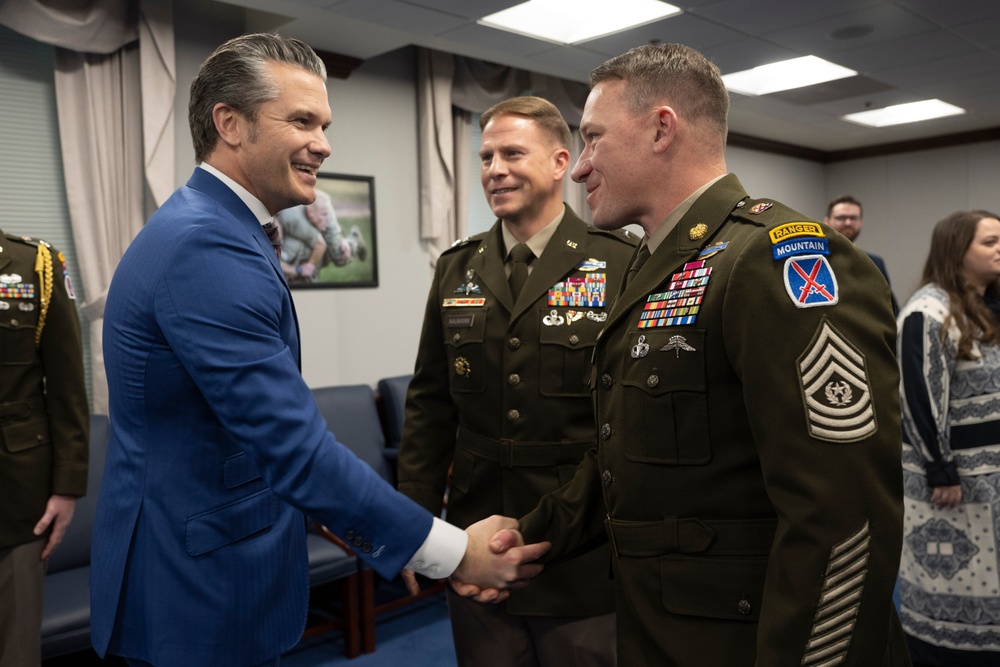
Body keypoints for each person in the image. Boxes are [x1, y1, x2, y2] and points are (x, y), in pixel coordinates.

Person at [89, 33, 548, 667]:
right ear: (231, 124)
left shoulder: (219, 230)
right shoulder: (205, 246)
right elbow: (293, 448)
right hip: (192, 593)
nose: (324, 144)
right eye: (302, 121)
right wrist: (451, 551)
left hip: (212, 569)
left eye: (324, 124)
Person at [470, 43, 911, 666]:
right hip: (665, 632)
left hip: (749, 641)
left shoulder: (774, 259)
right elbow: (622, 462)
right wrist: (525, 535)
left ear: (660, 128)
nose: (579, 167)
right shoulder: (653, 267)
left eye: (593, 139)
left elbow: (842, 518)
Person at [397, 95, 636, 667]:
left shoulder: (620, 262)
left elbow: (627, 423)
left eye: (511, 153)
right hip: (474, 538)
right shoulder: (458, 266)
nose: (494, 169)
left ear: (559, 162)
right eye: (485, 157)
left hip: (580, 549)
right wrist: (416, 521)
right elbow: (430, 404)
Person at [896, 210, 1000, 666]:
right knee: (956, 590)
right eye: (991, 242)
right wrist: (941, 469)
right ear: (957, 251)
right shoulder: (927, 311)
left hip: (991, 482)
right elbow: (920, 400)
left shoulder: (986, 306)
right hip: (954, 487)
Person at [0, 231, 87, 667]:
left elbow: (68, 385)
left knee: (16, 650)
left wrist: (67, 487)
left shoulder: (36, 266)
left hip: (16, 496)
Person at [824, 194, 899, 312]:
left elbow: (890, 308)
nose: (848, 222)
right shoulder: (817, 261)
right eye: (841, 218)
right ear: (827, 221)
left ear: (861, 222)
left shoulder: (875, 262)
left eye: (853, 218)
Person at [276, 189, 366, 283]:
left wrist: (303, 269)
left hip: (317, 206)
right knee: (295, 247)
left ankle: (355, 241)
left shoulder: (296, 220)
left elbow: (320, 245)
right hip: (311, 211)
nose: (328, 220)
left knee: (339, 253)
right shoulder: (289, 219)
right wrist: (299, 270)